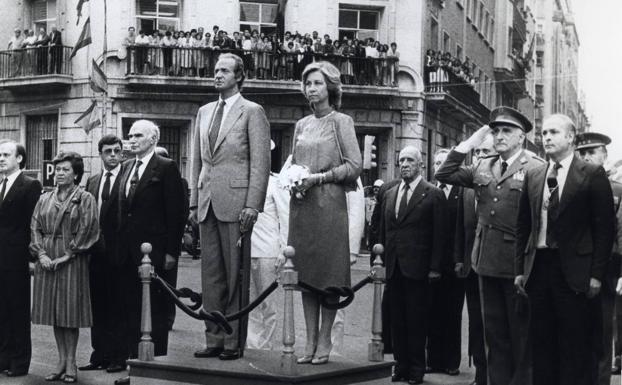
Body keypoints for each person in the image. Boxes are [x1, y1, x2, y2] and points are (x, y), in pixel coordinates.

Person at [435, 106, 545, 385]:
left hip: (516, 264)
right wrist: (472, 142)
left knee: (520, 337)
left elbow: (538, 221)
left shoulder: (534, 167)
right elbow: (444, 173)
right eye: (495, 131)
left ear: (521, 137)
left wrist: (530, 267)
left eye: (506, 131)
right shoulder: (484, 165)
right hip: (484, 261)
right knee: (493, 336)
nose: (499, 136)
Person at [515, 115, 615, 385]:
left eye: (554, 132)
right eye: (544, 132)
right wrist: (519, 270)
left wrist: (596, 275)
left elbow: (605, 230)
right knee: (542, 345)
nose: (546, 137)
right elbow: (523, 226)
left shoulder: (591, 174)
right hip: (539, 269)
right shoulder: (535, 175)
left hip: (575, 274)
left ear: (570, 137)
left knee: (574, 346)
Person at [190, 53, 271, 361]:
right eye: (215, 70)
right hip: (208, 202)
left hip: (238, 204)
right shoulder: (204, 111)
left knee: (236, 274)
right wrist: (194, 202)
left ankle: (232, 341)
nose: (217, 75)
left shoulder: (252, 111)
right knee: (210, 275)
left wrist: (253, 203)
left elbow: (260, 163)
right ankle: (212, 338)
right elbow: (198, 159)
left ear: (239, 76)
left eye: (224, 70)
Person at [283, 61, 361, 366]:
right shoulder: (301, 125)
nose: (311, 88)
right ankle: (310, 340)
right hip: (302, 207)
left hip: (329, 206)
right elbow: (296, 163)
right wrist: (294, 181)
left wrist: (320, 178)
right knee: (305, 275)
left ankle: (325, 339)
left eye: (316, 83)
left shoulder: (341, 121)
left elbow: (354, 166)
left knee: (327, 275)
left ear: (330, 86)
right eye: (307, 83)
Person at [113, 120, 186, 385]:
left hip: (155, 254)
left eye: (138, 135)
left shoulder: (166, 168)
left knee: (155, 312)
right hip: (127, 254)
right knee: (131, 312)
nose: (132, 139)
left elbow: (175, 213)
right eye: (130, 135)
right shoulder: (125, 168)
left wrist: (171, 253)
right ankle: (135, 368)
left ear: (153, 139)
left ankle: (157, 370)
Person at [30, 151, 99, 384]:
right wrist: (40, 254)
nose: (59, 173)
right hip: (47, 258)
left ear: (76, 173)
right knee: (54, 313)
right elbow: (35, 227)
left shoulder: (85, 197)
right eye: (57, 169)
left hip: (72, 260)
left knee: (69, 313)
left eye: (65, 169)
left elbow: (89, 228)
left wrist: (69, 254)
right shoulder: (44, 198)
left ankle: (71, 362)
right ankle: (60, 361)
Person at [380, 145, 445, 384]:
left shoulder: (432, 194)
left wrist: (435, 267)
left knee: (417, 321)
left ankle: (417, 370)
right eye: (401, 161)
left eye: (410, 160)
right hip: (394, 266)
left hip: (419, 269)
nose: (404, 164)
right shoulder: (389, 193)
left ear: (420, 164)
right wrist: (382, 260)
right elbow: (385, 231)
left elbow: (440, 235)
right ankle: (401, 366)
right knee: (397, 320)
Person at [574, 132, 622, 385]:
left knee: (603, 330)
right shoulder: (570, 186)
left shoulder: (617, 190)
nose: (586, 157)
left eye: (592, 152)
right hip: (574, 268)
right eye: (582, 152)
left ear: (604, 155)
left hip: (606, 269)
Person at [80, 135, 125, 374]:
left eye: (117, 151)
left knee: (118, 307)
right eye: (108, 151)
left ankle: (118, 356)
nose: (113, 156)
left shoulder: (128, 179)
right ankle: (99, 354)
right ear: (100, 154)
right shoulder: (93, 181)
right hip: (96, 254)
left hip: (119, 254)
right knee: (98, 307)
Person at [453, 133, 496, 385]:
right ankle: (481, 376)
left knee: (495, 326)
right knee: (477, 326)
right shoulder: (468, 188)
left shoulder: (503, 185)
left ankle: (496, 376)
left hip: (496, 268)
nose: (479, 157)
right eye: (477, 153)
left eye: (485, 153)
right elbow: (461, 226)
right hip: (472, 267)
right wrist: (459, 258)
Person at [0, 140, 41, 377]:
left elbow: (32, 225)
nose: (1, 158)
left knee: (18, 310)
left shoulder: (29, 185)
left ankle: (19, 361)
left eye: (6, 154)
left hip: (17, 259)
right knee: (2, 311)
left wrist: (30, 258)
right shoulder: (1, 183)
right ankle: (3, 356)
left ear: (19, 159)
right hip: (1, 257)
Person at [247, 143, 290, 350]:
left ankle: (267, 346)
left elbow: (285, 218)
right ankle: (252, 345)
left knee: (268, 303)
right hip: (246, 249)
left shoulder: (276, 183)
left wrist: (284, 250)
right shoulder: (245, 180)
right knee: (249, 302)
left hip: (268, 250)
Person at [426, 148, 464, 376]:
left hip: (454, 265)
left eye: (444, 162)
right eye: (436, 162)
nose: (439, 166)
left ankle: (451, 361)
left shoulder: (462, 191)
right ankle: (433, 359)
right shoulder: (429, 191)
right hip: (433, 264)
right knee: (432, 312)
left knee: (452, 313)